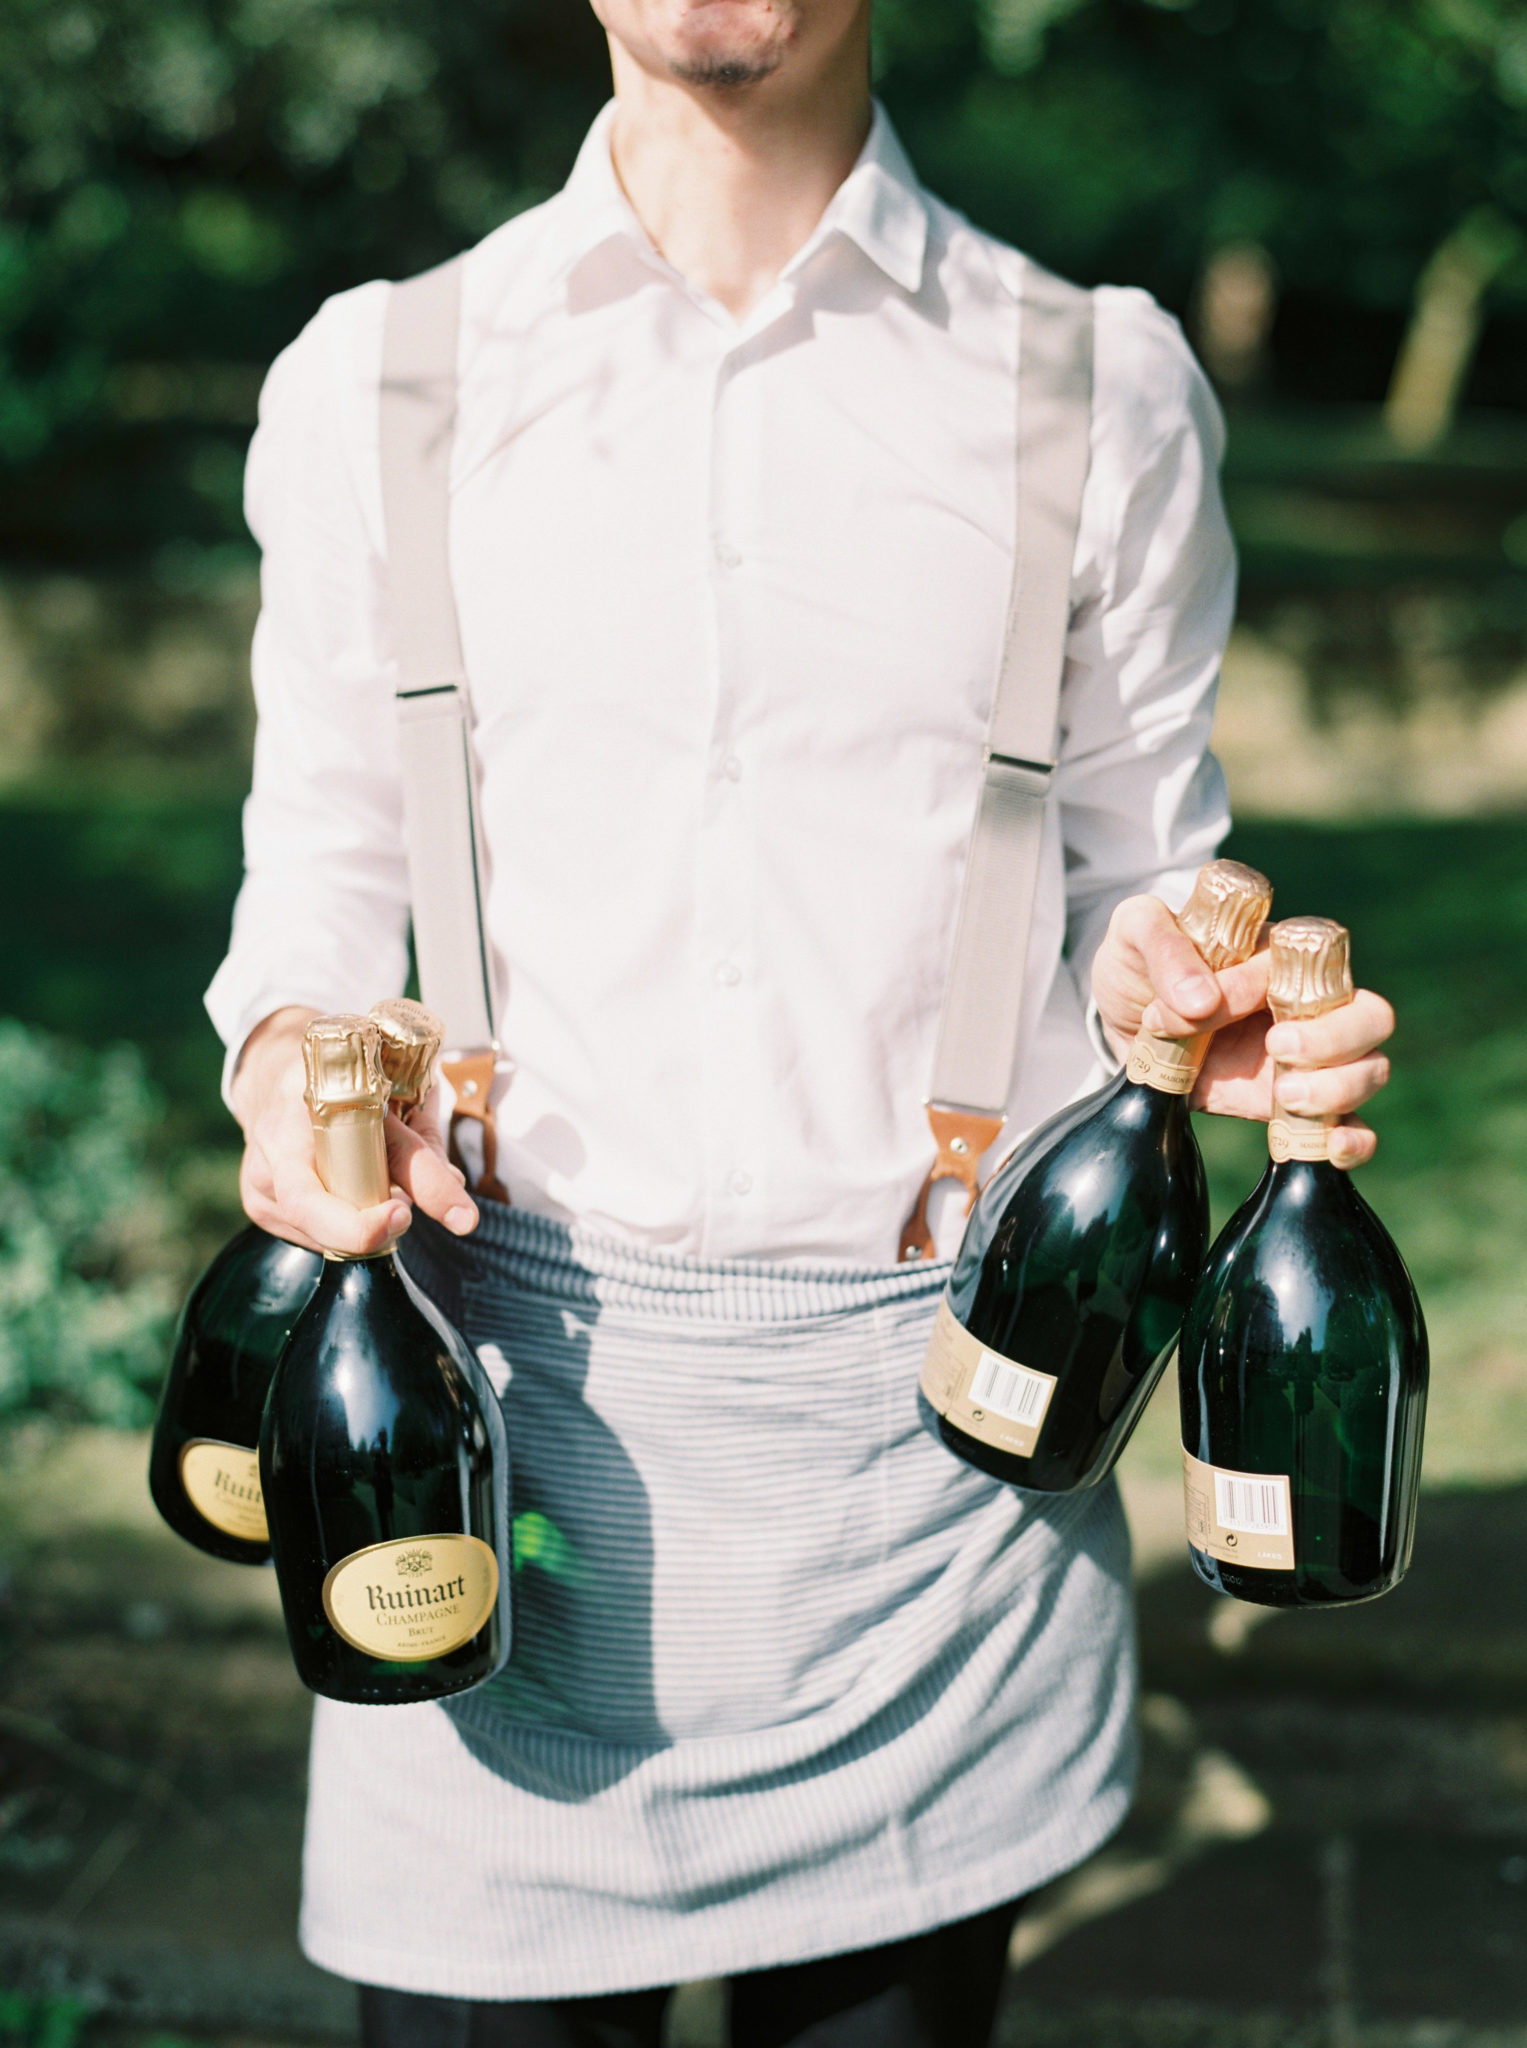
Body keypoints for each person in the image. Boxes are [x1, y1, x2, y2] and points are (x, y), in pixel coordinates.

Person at [207, 2, 1397, 2043]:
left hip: (931, 1508)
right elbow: (314, 879)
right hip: (492, 1473)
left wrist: (1168, 988)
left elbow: (1142, 878)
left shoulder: (1091, 384)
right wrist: (283, 1076)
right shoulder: (379, 381)